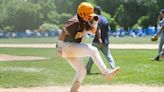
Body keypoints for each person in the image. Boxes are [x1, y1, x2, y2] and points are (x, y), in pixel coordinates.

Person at [56, 2, 120, 92]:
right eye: (88, 15)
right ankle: (106, 72)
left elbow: (93, 31)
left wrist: (96, 21)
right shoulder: (74, 21)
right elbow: (63, 33)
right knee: (93, 50)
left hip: (71, 49)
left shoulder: (83, 21)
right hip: (66, 47)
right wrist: (59, 48)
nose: (90, 17)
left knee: (82, 71)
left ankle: (73, 90)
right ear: (81, 13)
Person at [86, 6, 116, 74]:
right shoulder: (105, 19)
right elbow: (108, 29)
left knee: (93, 55)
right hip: (105, 41)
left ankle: (87, 69)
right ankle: (113, 68)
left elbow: (98, 30)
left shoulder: (96, 18)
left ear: (96, 11)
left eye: (93, 11)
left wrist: (99, 39)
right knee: (108, 56)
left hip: (97, 41)